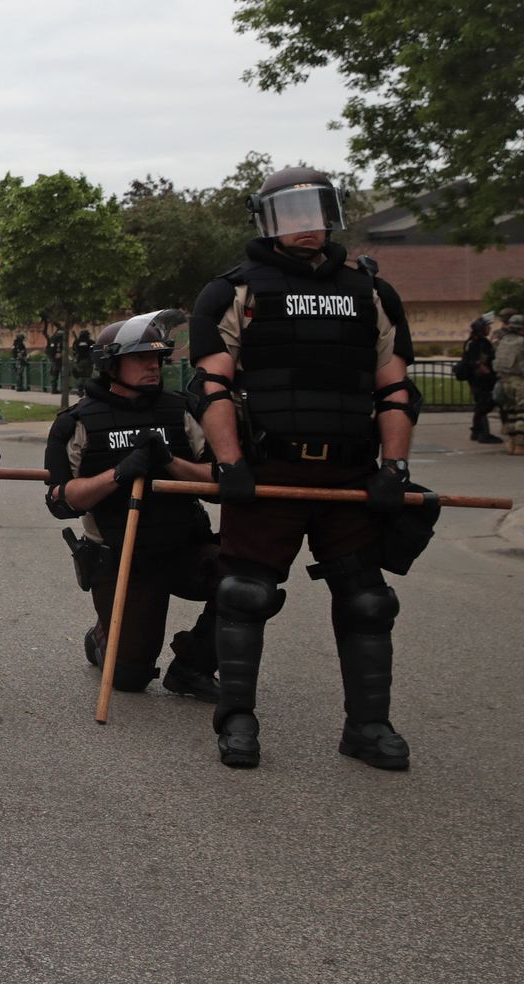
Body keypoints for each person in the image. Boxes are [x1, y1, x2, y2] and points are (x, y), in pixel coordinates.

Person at [189, 166, 429, 769]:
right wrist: (230, 464)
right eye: (291, 215)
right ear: (267, 221)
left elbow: (395, 390)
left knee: (368, 601)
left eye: (317, 212)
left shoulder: (371, 293)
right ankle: (237, 720)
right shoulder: (233, 291)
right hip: (270, 471)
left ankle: (369, 727)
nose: (307, 227)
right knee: (244, 594)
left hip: (348, 474)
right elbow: (212, 386)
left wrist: (394, 469)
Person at [43, 311, 219, 699]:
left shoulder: (182, 411)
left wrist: (171, 462)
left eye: (157, 358)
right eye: (141, 358)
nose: (153, 366)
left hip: (183, 546)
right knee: (130, 678)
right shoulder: (77, 423)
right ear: (110, 364)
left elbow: (218, 482)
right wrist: (119, 474)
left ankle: (193, 663)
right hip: (123, 557)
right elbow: (60, 500)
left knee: (246, 585)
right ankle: (103, 635)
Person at [496, 314, 524, 455]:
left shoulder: (503, 341)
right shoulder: (521, 342)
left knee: (511, 414)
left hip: (504, 381)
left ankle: (511, 445)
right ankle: (520, 446)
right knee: (522, 415)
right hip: (519, 382)